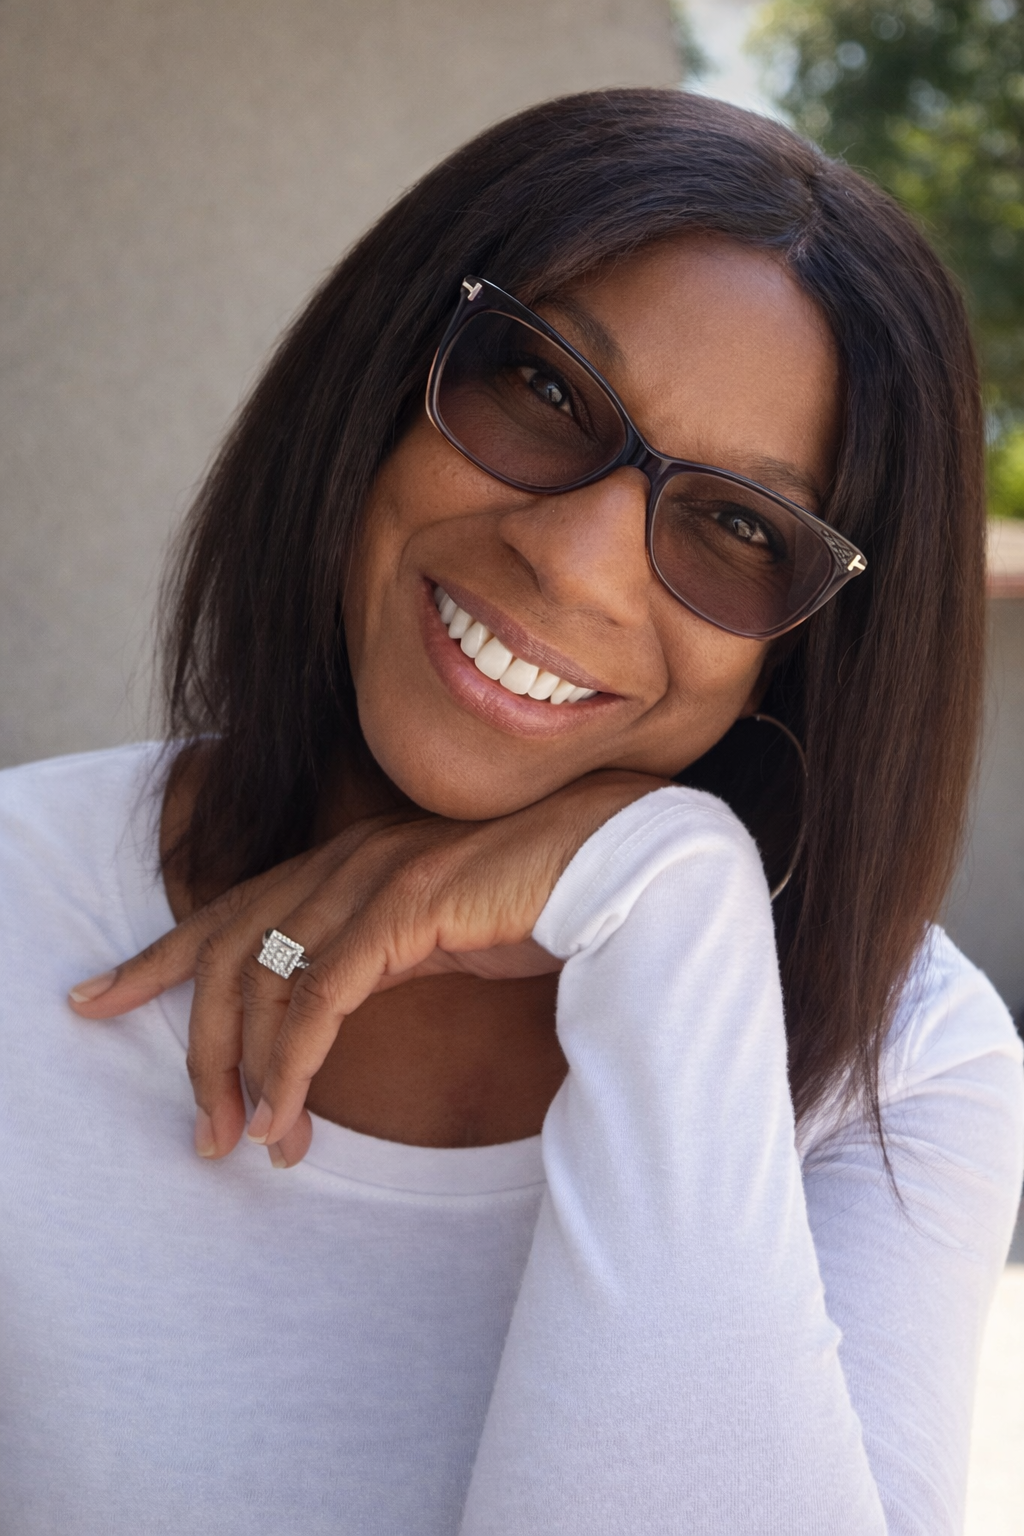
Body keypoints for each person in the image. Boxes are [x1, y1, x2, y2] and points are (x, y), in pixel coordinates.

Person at [1, 89, 1021, 1536]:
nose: (576, 565)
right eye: (541, 388)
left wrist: (671, 893)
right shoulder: (16, 909)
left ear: (814, 642)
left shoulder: (902, 1072)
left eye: (739, 525)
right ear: (385, 368)